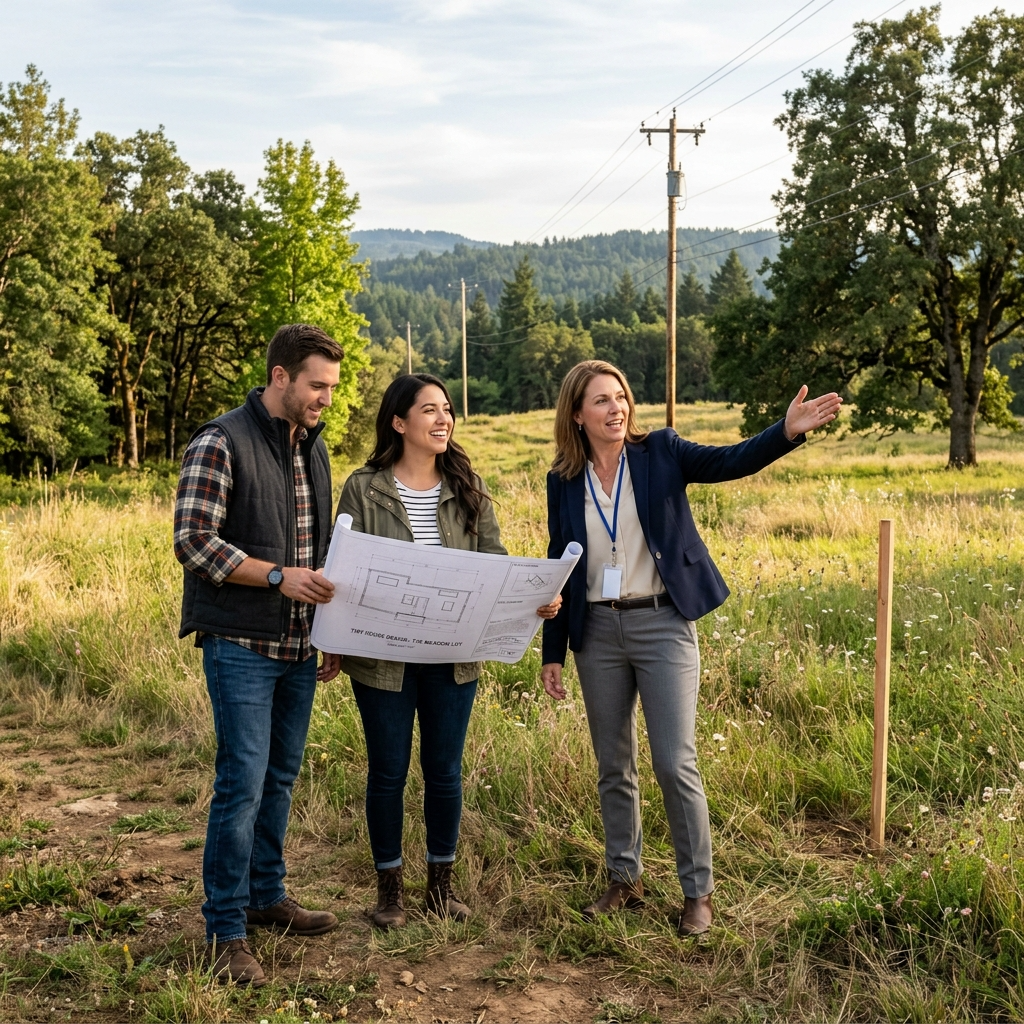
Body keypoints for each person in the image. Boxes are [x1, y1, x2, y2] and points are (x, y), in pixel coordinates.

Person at [540, 360, 841, 936]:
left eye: (621, 396)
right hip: (597, 632)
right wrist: (553, 650)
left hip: (662, 624)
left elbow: (730, 461)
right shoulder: (564, 478)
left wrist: (786, 431)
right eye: (601, 400)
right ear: (576, 414)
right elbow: (561, 562)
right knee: (613, 764)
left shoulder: (662, 452)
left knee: (674, 762)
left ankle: (697, 892)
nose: (616, 408)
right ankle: (623, 878)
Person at [337, 373, 561, 930]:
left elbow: (497, 564)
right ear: (399, 422)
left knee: (444, 771)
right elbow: (338, 569)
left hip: (454, 658)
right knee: (387, 772)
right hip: (380, 660)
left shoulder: (469, 488)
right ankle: (390, 893)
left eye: (447, 410)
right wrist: (333, 642)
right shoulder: (363, 489)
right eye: (430, 410)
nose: (444, 420)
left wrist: (535, 600)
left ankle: (441, 888)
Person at [174, 324, 346, 987]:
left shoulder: (314, 448)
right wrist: (276, 575)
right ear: (280, 377)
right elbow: (194, 541)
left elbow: (324, 552)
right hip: (241, 644)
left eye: (331, 387)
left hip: (300, 645)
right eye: (316, 386)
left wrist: (329, 629)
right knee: (242, 782)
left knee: (279, 778)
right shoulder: (221, 441)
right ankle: (225, 928)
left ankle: (266, 896)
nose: (325, 399)